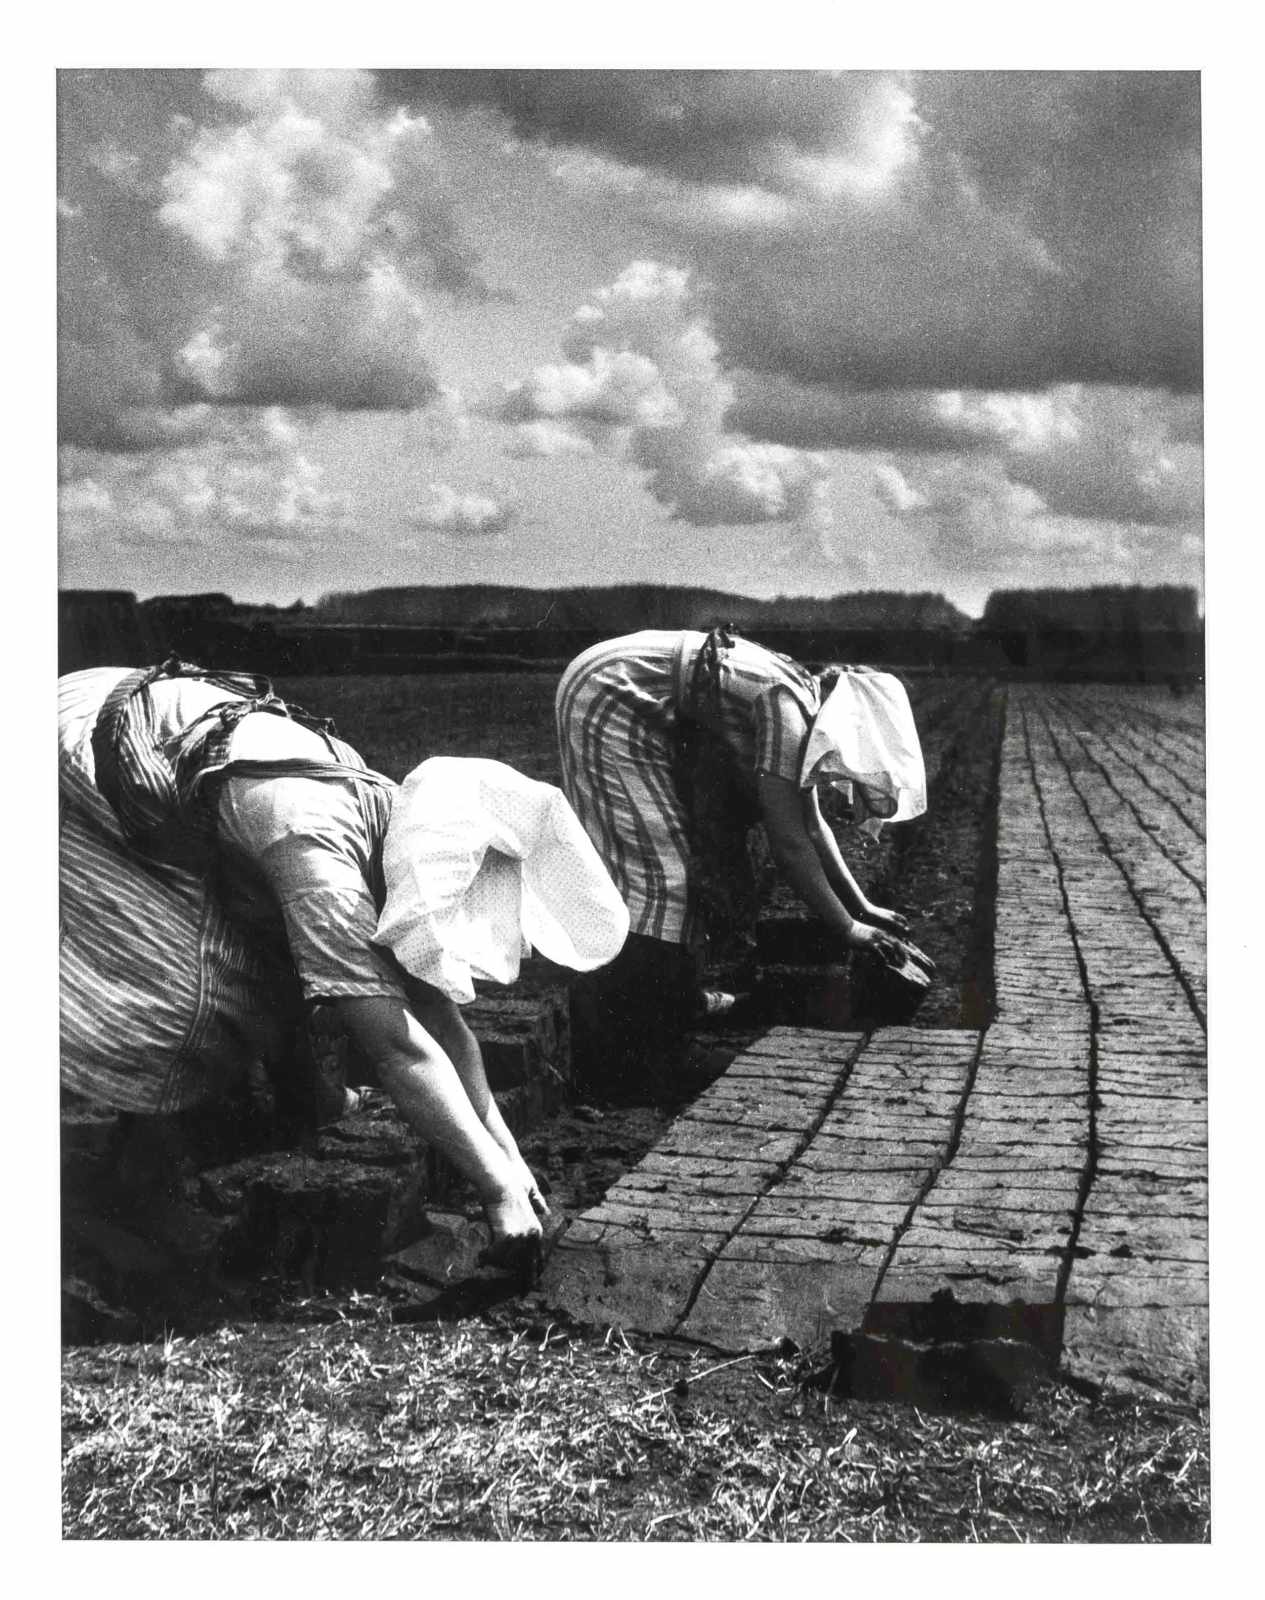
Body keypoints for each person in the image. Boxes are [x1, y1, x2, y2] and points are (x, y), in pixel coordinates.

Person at [60, 659, 629, 1278]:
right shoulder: (317, 852)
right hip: (74, 758)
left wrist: (509, 1158)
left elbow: (440, 1019)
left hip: (166, 736)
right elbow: (397, 1050)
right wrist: (495, 1192)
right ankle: (130, 1190)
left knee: (281, 961)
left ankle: (295, 1102)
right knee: (184, 999)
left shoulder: (397, 814)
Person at [555, 626, 928, 1095]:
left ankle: (673, 1003)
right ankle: (647, 1046)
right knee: (662, 871)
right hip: (608, 694)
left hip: (622, 690)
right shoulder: (786, 706)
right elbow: (788, 841)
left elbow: (814, 827)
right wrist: (847, 929)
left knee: (671, 864)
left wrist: (862, 907)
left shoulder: (800, 700)